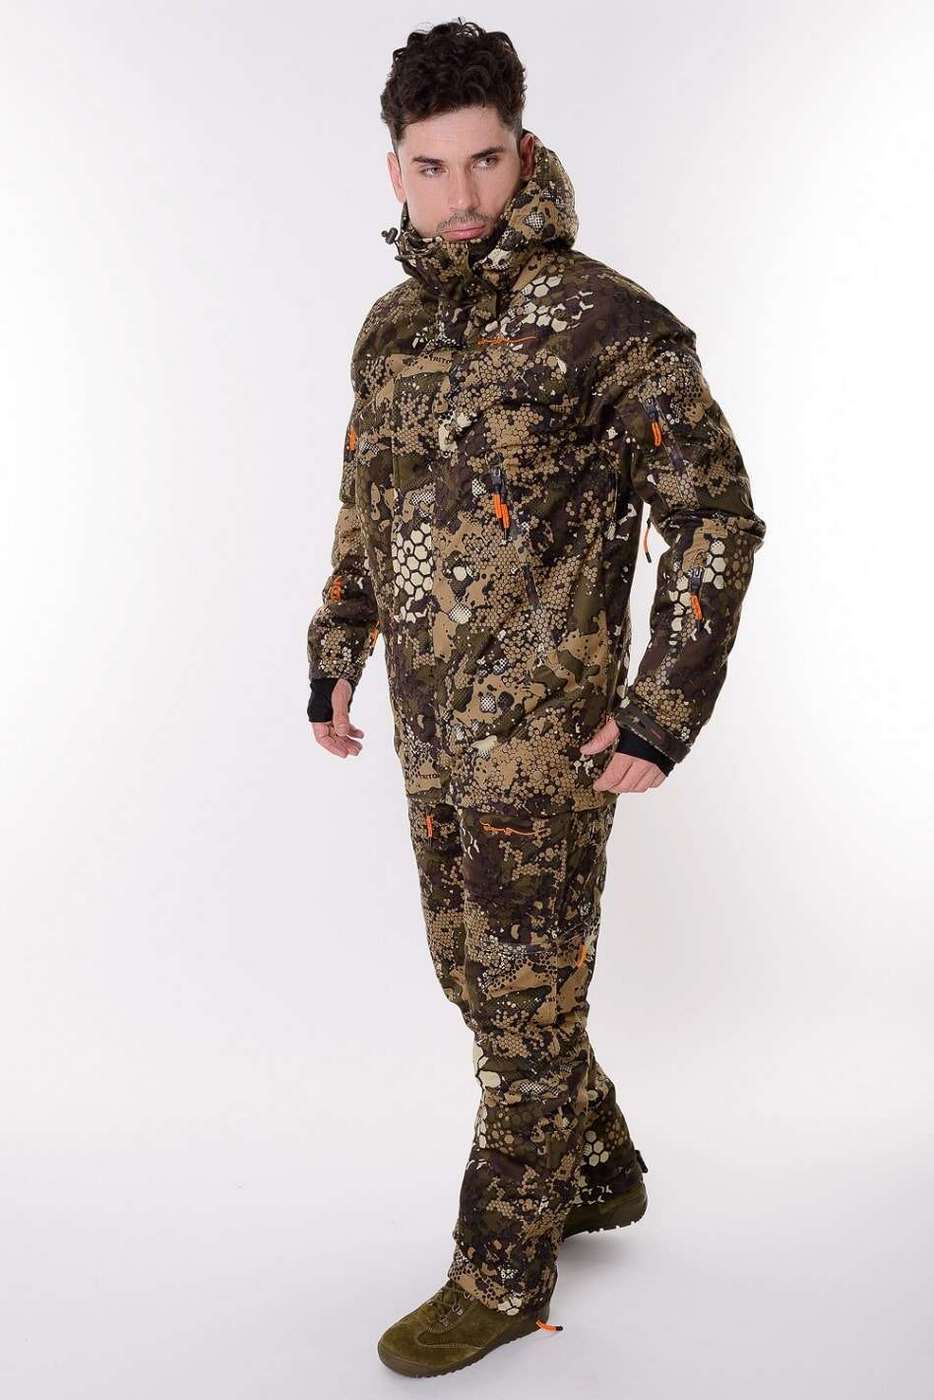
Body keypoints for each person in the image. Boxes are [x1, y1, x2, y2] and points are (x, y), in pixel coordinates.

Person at [306, 19, 767, 1379]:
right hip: (431, 736)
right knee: (476, 974)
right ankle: (598, 1162)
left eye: (485, 161)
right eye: (430, 167)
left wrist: (664, 706)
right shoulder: (390, 332)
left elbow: (715, 517)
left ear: (523, 148)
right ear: (394, 169)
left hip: (551, 747)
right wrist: (336, 646)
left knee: (518, 1007)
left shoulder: (604, 321)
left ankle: (501, 1271)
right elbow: (367, 508)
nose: (461, 196)